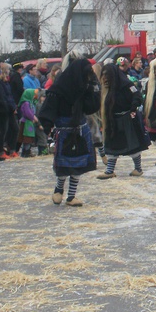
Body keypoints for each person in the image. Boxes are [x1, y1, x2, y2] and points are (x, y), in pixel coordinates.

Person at [38, 54, 101, 206]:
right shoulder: (60, 88)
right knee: (66, 163)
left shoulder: (81, 87)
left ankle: (69, 195)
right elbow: (49, 107)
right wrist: (46, 125)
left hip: (78, 127)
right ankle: (59, 189)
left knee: (77, 164)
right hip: (66, 128)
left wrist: (94, 88)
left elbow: (91, 107)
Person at [97, 63, 150, 178]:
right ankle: (110, 171)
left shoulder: (126, 84)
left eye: (107, 75)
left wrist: (133, 108)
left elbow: (137, 96)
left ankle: (138, 168)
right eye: (103, 76)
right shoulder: (107, 89)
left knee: (132, 146)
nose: (105, 78)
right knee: (111, 145)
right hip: (112, 121)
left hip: (126, 120)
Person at [17, 88, 42, 158]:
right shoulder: (26, 103)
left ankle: (27, 151)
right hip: (26, 123)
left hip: (30, 123)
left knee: (29, 138)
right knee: (27, 138)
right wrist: (33, 117)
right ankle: (26, 152)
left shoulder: (31, 102)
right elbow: (28, 113)